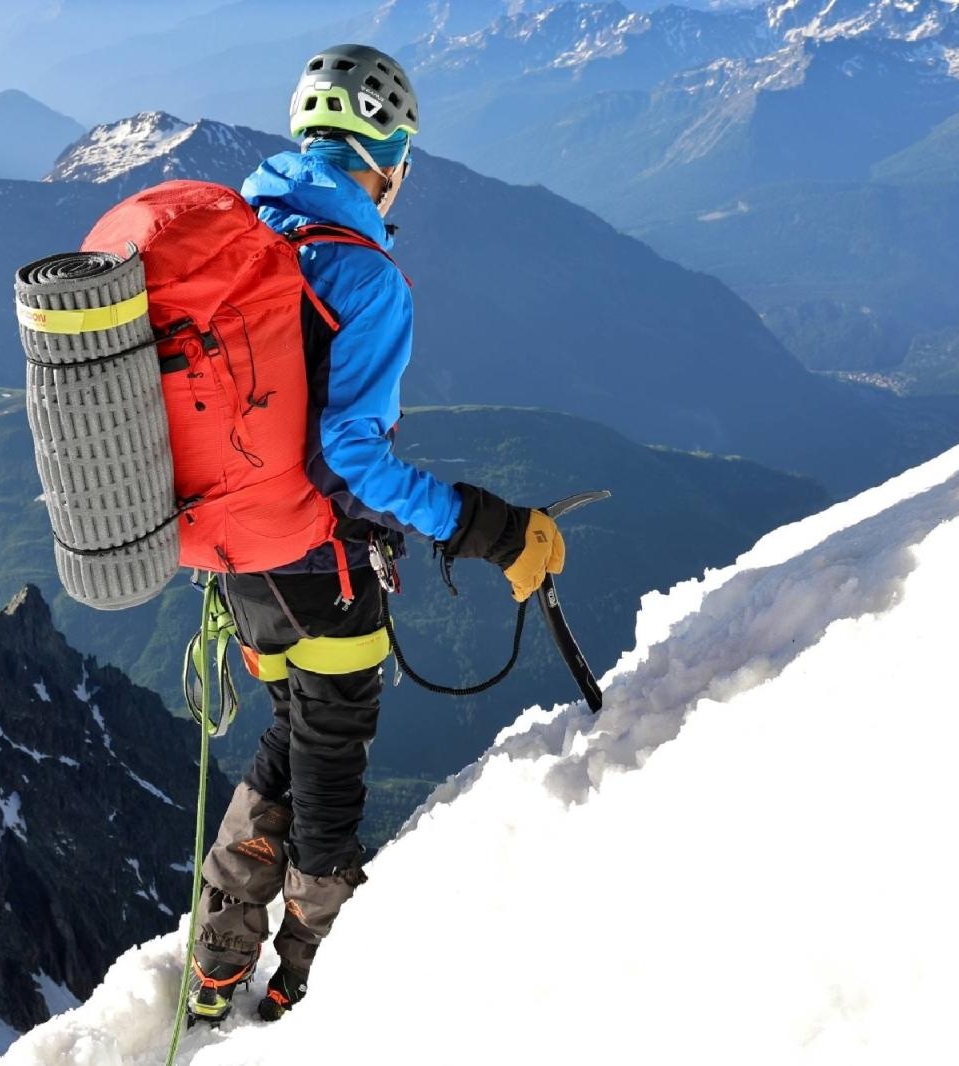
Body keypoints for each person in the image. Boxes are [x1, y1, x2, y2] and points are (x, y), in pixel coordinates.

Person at [187, 43, 567, 1024]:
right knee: (333, 752)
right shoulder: (360, 276)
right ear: (388, 153)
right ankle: (309, 979)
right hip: (318, 556)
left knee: (292, 725)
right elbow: (354, 455)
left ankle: (220, 952)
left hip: (234, 559)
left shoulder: (248, 231)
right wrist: (482, 527)